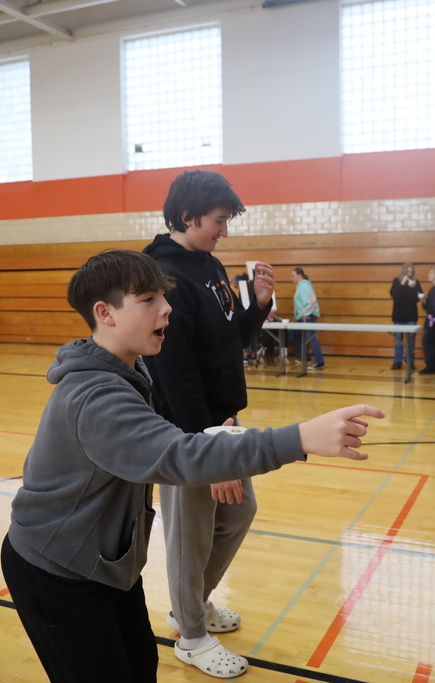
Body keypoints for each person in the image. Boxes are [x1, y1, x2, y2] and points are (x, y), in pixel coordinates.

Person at [1, 249, 383, 683]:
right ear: (104, 313)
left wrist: (212, 437)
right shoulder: (96, 397)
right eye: (148, 299)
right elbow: (177, 457)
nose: (166, 308)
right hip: (57, 569)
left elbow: (154, 439)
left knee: (140, 668)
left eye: (163, 297)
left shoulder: (125, 368)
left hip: (103, 563)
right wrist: (298, 438)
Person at [142, 170, 277, 676]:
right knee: (190, 534)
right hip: (185, 428)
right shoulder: (162, 274)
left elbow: (230, 339)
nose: (225, 230)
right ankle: (191, 636)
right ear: (188, 216)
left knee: (239, 511)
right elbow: (174, 374)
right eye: (219, 221)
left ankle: (191, 605)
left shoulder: (210, 264)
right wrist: (208, 451)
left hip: (221, 422)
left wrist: (257, 306)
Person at [389, 262, 422, 371]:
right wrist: (403, 283)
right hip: (399, 315)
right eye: (408, 272)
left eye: (411, 272)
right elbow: (395, 295)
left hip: (411, 315)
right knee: (398, 340)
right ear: (403, 271)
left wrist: (413, 288)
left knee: (411, 341)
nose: (409, 274)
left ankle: (410, 362)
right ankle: (397, 362)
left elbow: (417, 298)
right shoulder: (397, 281)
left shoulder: (416, 282)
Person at [292, 267, 324, 373]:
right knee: (293, 334)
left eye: (293, 275)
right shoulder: (300, 286)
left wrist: (306, 314)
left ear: (299, 275)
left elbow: (311, 301)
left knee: (311, 337)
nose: (292, 278)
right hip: (303, 316)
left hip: (308, 316)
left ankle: (320, 362)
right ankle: (305, 356)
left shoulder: (304, 286)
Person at [418, 267, 435, 375]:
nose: (429, 275)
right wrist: (424, 301)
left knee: (426, 342)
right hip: (434, 321)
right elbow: (428, 307)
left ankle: (431, 365)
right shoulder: (433, 289)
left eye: (431, 273)